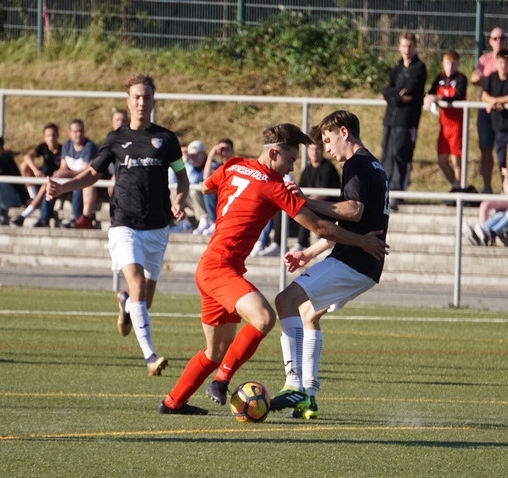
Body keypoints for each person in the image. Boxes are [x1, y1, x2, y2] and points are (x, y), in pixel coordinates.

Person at [158, 121, 387, 416]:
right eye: (290, 160)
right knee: (265, 317)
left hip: (210, 267)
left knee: (215, 351)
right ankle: (221, 381)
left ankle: (172, 402)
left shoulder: (234, 165)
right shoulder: (274, 186)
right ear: (274, 153)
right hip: (221, 269)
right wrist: (361, 240)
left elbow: (206, 187)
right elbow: (320, 227)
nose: (291, 169)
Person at [46, 74, 189, 377]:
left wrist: (180, 200)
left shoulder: (166, 139)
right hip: (124, 223)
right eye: (136, 97)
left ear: (153, 101)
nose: (141, 102)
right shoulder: (115, 139)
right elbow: (91, 174)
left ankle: (125, 304)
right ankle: (150, 357)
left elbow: (182, 177)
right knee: (137, 284)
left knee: (144, 300)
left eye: (146, 97)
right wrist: (63, 187)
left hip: (158, 225)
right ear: (128, 101)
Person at [273, 110, 391, 419]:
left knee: (285, 300)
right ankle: (309, 397)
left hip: (353, 261)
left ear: (344, 132)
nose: (326, 149)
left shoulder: (356, 164)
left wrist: (305, 201)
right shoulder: (374, 165)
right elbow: (349, 223)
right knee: (308, 315)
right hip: (364, 264)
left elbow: (353, 210)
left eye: (327, 140)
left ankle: (293, 384)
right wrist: (308, 254)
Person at [381, 31, 426, 209]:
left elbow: (410, 91)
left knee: (401, 155)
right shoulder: (396, 69)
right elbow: (387, 91)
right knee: (387, 155)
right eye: (404, 46)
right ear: (399, 47)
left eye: (410, 46)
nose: (407, 49)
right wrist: (396, 96)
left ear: (414, 47)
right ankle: (384, 190)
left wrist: (394, 95)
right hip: (390, 119)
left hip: (407, 120)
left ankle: (398, 192)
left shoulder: (419, 68)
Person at [471, 27, 508, 194]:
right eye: (495, 38)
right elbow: (475, 78)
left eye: (502, 38)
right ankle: (487, 188)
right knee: (485, 148)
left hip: (504, 111)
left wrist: (487, 82)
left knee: (504, 152)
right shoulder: (483, 59)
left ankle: (505, 188)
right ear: (490, 41)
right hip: (487, 109)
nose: (499, 41)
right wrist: (489, 85)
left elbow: (507, 78)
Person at [425, 50, 469, 197]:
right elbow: (430, 92)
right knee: (442, 160)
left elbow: (458, 96)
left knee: (456, 160)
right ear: (442, 64)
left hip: (457, 125)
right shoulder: (440, 77)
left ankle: (459, 192)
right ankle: (455, 186)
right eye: (447, 63)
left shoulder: (461, 78)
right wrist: (428, 98)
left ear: (458, 64)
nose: (450, 67)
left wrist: (439, 98)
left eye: (453, 64)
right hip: (444, 126)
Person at [288, 136, 340, 250]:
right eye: (312, 149)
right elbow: (300, 189)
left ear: (322, 150)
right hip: (312, 204)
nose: (314, 153)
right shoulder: (307, 169)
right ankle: (276, 242)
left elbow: (324, 194)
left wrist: (305, 201)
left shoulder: (328, 168)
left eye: (317, 149)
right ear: (307, 151)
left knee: (305, 208)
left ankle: (301, 243)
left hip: (329, 208)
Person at [471, 139, 508, 246]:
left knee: (504, 214)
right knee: (486, 205)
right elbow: (505, 188)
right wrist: (506, 179)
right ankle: (483, 230)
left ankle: (489, 232)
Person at [12, 123, 63, 228]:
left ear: (58, 135)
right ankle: (33, 196)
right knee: (24, 166)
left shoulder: (62, 150)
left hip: (55, 181)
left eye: (53, 135)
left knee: (47, 184)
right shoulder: (43, 147)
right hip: (43, 178)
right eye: (48, 136)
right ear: (44, 137)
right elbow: (27, 156)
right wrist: (35, 170)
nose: (51, 138)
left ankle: (25, 215)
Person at [55, 119, 99, 229]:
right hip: (74, 176)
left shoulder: (90, 146)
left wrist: (67, 173)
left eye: (81, 131)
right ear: (69, 133)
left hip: (89, 179)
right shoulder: (66, 145)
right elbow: (63, 167)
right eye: (76, 131)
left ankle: (76, 218)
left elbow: (86, 171)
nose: (79, 134)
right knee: (52, 182)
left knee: (78, 184)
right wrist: (62, 174)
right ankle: (43, 217)